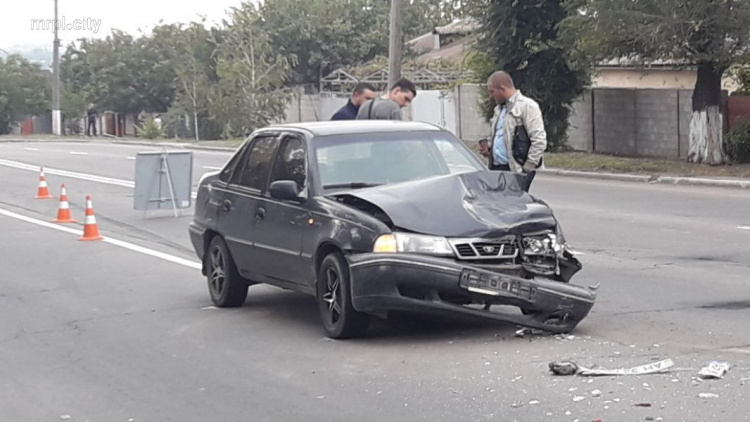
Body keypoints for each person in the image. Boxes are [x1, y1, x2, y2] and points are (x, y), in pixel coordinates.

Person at [480, 71, 547, 182]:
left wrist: (527, 168)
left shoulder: (527, 106)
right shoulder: (499, 109)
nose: (491, 96)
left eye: (492, 91)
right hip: (496, 169)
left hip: (517, 170)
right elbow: (501, 136)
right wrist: (489, 149)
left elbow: (539, 140)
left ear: (503, 89)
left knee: (511, 199)